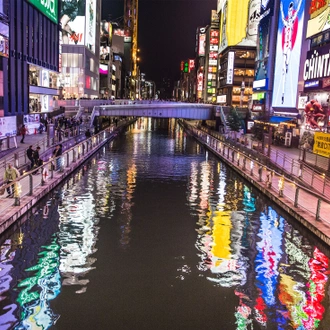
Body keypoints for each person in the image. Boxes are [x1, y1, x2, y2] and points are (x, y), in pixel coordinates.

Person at [280, 0, 303, 104]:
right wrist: (280, 7)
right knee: (284, 68)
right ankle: (283, 94)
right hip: (285, 46)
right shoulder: (286, 22)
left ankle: (285, 93)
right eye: (289, 10)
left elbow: (297, 11)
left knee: (287, 65)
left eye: (290, 10)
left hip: (289, 46)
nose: (289, 12)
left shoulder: (292, 20)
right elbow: (281, 15)